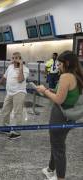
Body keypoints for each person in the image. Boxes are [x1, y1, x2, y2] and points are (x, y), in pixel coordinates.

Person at [36, 51, 83, 180]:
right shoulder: (77, 76)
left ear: (67, 63)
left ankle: (60, 177)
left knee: (58, 146)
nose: (58, 66)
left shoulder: (66, 76)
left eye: (60, 63)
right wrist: (50, 90)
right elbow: (67, 94)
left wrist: (45, 91)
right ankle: (51, 169)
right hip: (70, 115)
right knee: (57, 143)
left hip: (60, 114)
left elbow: (59, 100)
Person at [0, 52, 29, 139]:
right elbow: (4, 77)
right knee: (5, 110)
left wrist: (20, 66)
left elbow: (20, 79)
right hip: (10, 92)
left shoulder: (25, 69)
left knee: (17, 112)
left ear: (20, 59)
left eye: (16, 58)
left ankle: (16, 132)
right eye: (12, 58)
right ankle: (6, 128)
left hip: (19, 92)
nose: (14, 60)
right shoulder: (10, 67)